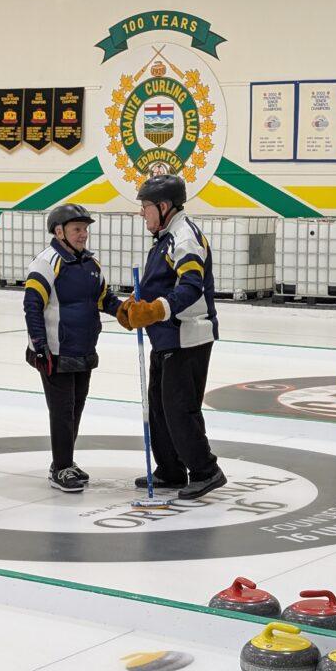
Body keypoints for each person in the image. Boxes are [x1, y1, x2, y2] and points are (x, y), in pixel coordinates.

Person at [119, 174, 225, 500]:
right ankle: (171, 469)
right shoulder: (165, 237)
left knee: (179, 408)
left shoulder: (184, 237)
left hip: (186, 337)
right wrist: (137, 306)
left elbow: (190, 287)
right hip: (165, 337)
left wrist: (154, 310)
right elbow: (160, 286)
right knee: (160, 408)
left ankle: (206, 470)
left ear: (164, 207)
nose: (142, 213)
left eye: (146, 207)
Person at [24, 203, 122, 493]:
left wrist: (129, 313)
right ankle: (61, 467)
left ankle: (64, 462)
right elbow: (32, 306)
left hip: (84, 348)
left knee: (76, 408)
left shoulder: (91, 264)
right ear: (59, 231)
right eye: (77, 229)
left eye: (85, 229)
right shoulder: (46, 262)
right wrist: (40, 347)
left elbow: (104, 299)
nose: (83, 235)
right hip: (55, 351)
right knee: (62, 411)